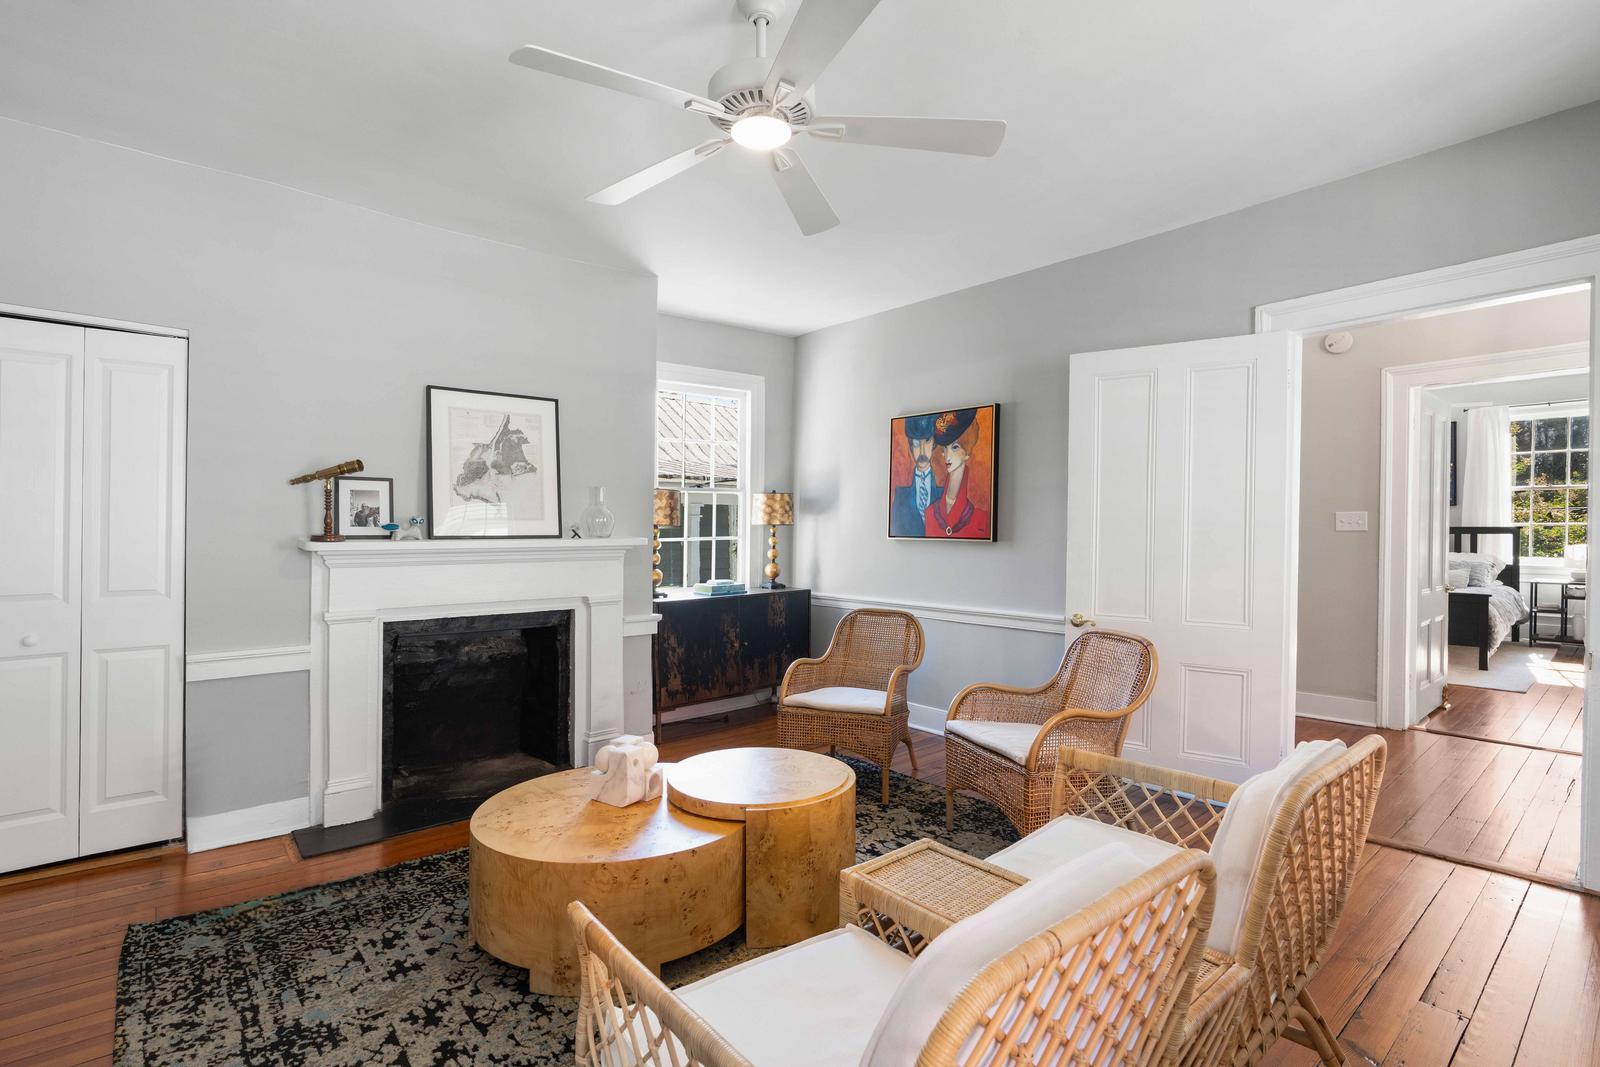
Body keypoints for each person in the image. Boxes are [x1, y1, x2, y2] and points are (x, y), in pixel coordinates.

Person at [924, 409, 991, 539]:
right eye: (945, 448)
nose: (947, 456)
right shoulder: (931, 513)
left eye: (955, 447)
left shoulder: (981, 515)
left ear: (967, 451)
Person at [890, 414, 937, 536]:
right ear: (910, 447)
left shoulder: (944, 493)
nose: (922, 451)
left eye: (927, 441)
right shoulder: (900, 497)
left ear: (934, 444)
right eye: (916, 444)